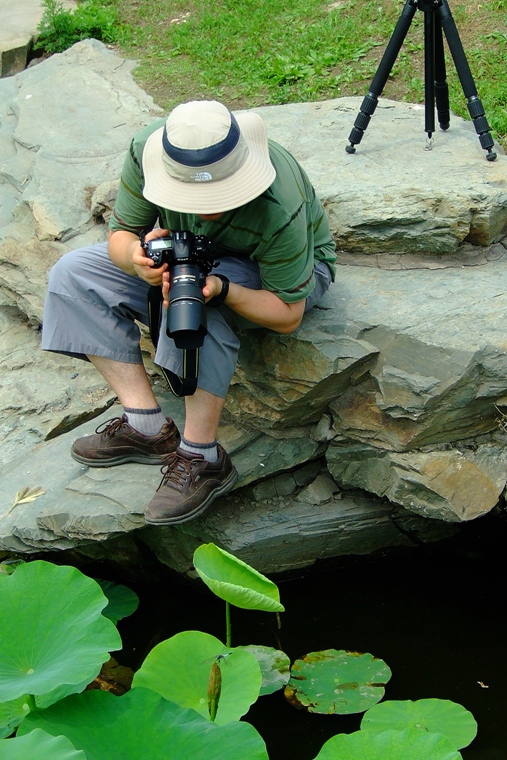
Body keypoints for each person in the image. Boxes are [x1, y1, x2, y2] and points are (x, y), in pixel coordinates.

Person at [41, 100, 336, 526]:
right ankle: (146, 428)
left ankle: (203, 458)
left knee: (194, 303)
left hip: (276, 276)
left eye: (218, 194)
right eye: (194, 194)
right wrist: (136, 262)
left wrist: (223, 289)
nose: (207, 204)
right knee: (73, 274)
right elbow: (121, 236)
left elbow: (289, 312)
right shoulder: (148, 149)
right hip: (188, 249)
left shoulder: (276, 199)